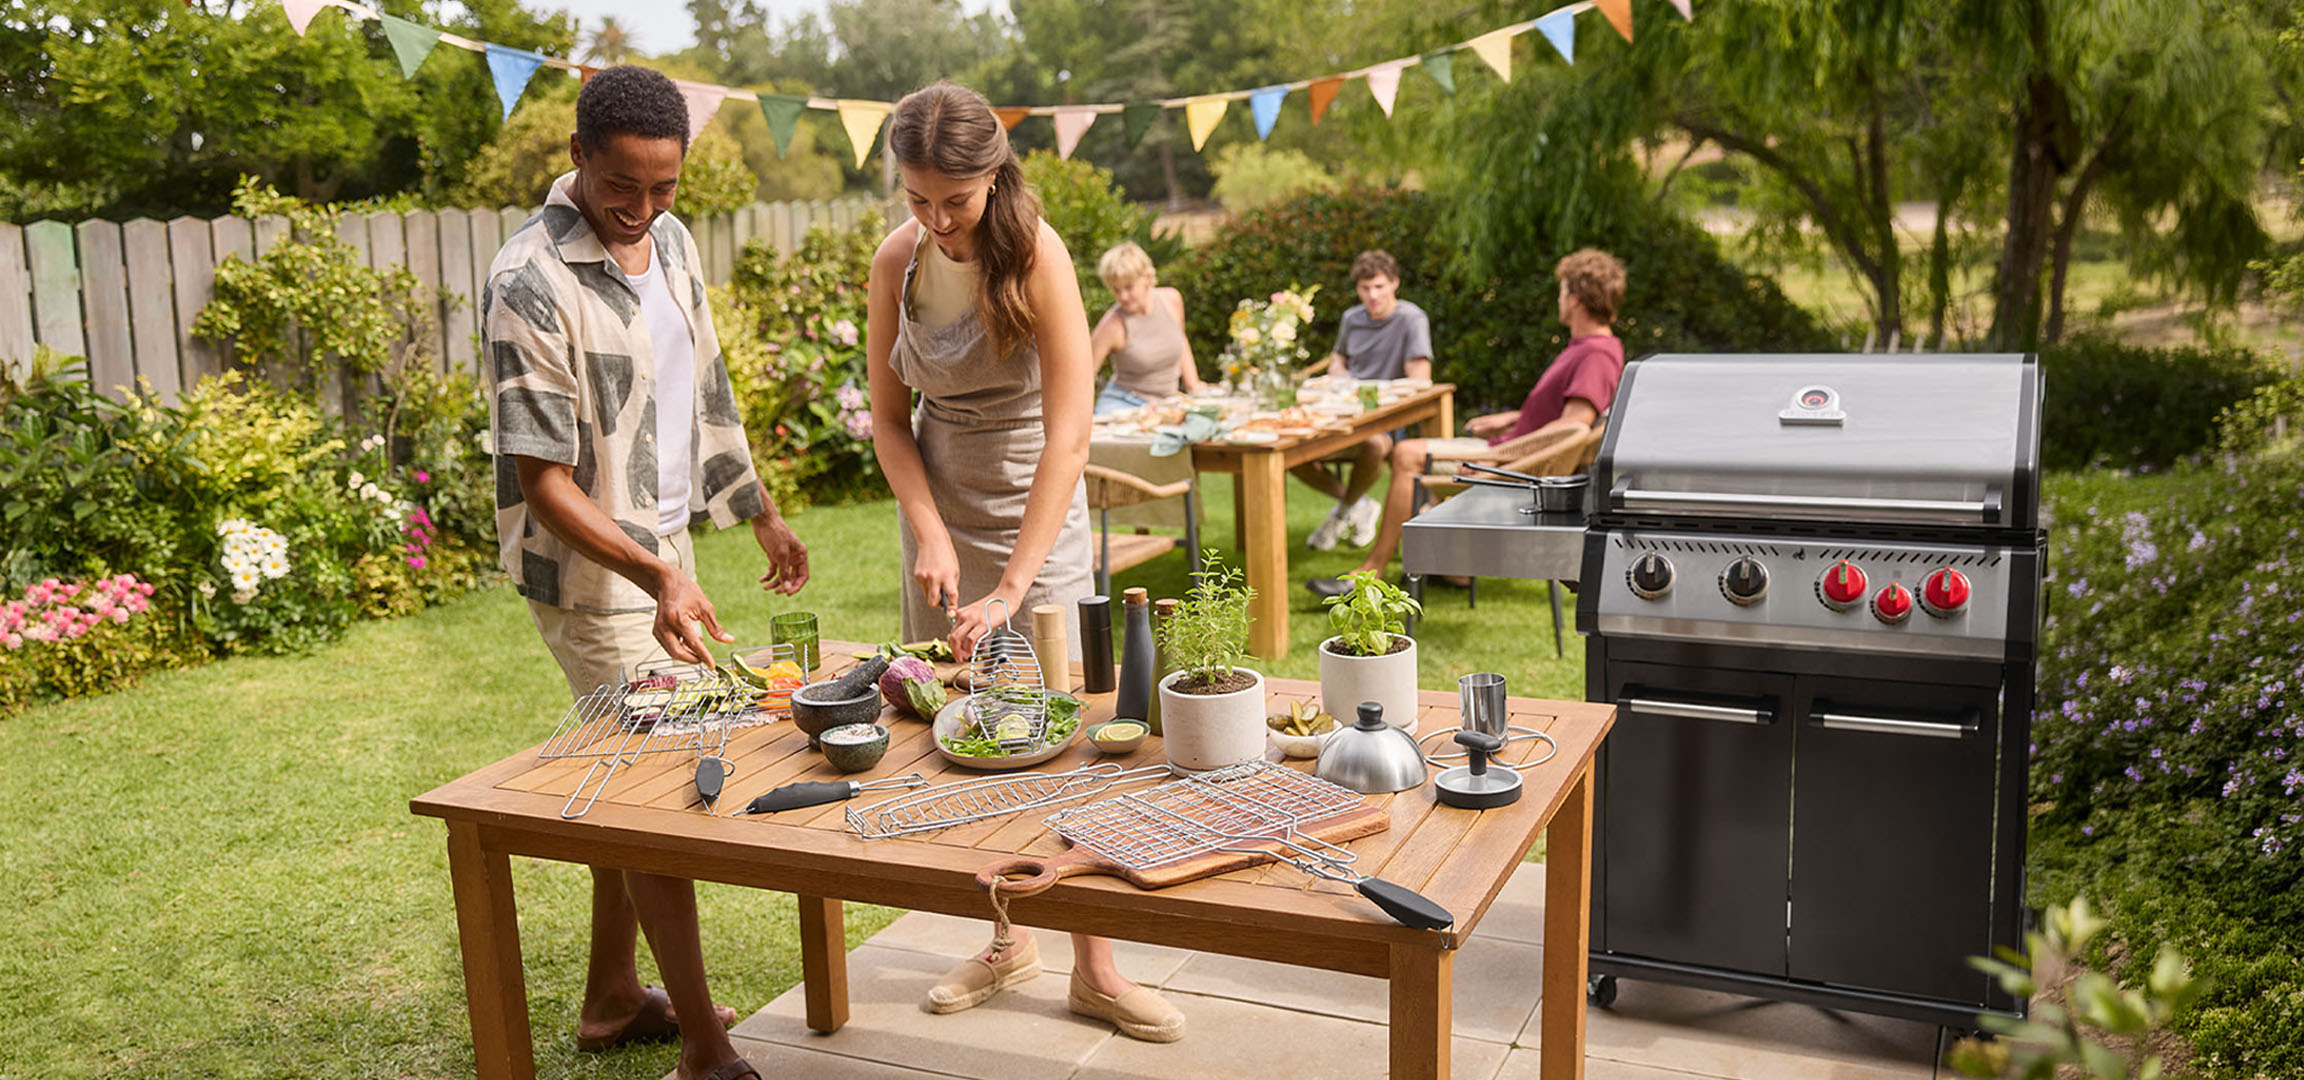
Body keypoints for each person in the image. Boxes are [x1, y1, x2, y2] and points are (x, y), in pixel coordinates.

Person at [483, 65, 810, 1080]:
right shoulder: (527, 281)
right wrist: (653, 577)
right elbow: (540, 481)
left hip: (667, 549)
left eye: (664, 187)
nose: (642, 208)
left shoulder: (667, 242)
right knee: (663, 790)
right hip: (593, 576)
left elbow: (701, 382)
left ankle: (612, 999)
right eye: (624, 185)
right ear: (578, 156)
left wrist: (754, 508)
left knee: (632, 778)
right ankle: (707, 1050)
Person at [865, 82, 1186, 1043]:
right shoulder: (897, 259)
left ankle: (1096, 965)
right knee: (966, 735)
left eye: (952, 200)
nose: (936, 219)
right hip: (942, 508)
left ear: (991, 172)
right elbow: (889, 418)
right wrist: (928, 531)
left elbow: (1071, 436)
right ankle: (1007, 940)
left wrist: (1013, 581)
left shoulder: (1037, 254)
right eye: (917, 198)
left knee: (1073, 743)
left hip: (1035, 515)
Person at [1308, 248, 1627, 597]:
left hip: (1513, 463)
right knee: (1413, 455)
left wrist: (1493, 461)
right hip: (1506, 448)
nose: (1559, 299)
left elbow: (1573, 430)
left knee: (1406, 455)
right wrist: (1509, 419)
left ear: (1577, 299)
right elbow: (1561, 414)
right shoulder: (1589, 347)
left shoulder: (1595, 353)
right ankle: (1450, 565)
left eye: (1562, 291)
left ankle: (1372, 573)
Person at [1296, 250, 1433, 552]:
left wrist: (1372, 391)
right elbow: (1338, 359)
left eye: (1379, 287)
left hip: (1386, 421)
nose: (1372, 295)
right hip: (1342, 414)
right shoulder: (1351, 318)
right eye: (1365, 288)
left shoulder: (1411, 319)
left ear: (1394, 283)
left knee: (1374, 445)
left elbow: (1421, 378)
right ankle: (1357, 505)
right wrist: (1339, 374)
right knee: (1292, 450)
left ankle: (1343, 510)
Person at [1089, 241, 1204, 414]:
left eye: (1128, 287)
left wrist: (1193, 384)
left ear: (1147, 278)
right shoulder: (1112, 325)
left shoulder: (1171, 300)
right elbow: (1084, 376)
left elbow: (1181, 340)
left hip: (1167, 404)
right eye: (1116, 290)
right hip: (1122, 406)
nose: (1123, 296)